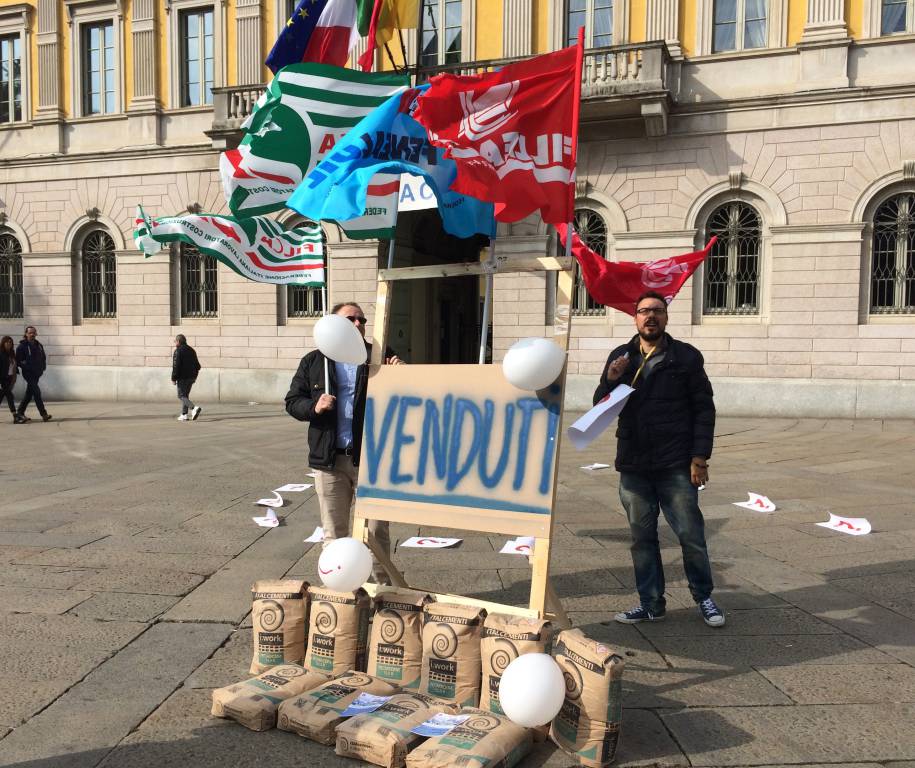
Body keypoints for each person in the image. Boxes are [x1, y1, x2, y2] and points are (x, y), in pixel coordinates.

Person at [594, 290, 724, 628]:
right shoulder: (621, 356)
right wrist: (611, 378)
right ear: (634, 318)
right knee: (641, 538)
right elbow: (601, 408)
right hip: (635, 464)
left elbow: (703, 409)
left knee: (690, 535)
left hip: (676, 463)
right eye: (643, 311)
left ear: (666, 317)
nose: (650, 316)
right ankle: (651, 603)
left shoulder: (686, 357)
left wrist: (700, 457)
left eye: (657, 310)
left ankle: (704, 597)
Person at [285, 301, 404, 584]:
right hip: (330, 461)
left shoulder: (378, 355)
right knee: (334, 533)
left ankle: (383, 592)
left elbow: (404, 402)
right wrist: (315, 405)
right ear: (334, 324)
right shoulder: (314, 361)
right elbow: (292, 402)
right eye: (351, 319)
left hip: (371, 460)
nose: (359, 324)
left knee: (376, 533)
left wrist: (401, 376)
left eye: (362, 319)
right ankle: (341, 595)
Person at [16, 326, 51, 423]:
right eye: (30, 333)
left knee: (29, 393)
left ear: (36, 334)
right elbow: (19, 361)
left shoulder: (39, 345)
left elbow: (43, 357)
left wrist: (43, 367)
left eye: (33, 333)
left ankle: (20, 413)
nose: (32, 334)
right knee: (37, 392)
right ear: (26, 334)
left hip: (37, 373)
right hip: (28, 374)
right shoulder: (22, 346)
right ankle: (44, 414)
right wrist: (27, 367)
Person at [171, 335, 201, 421]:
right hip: (192, 377)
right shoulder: (192, 350)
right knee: (185, 395)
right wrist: (194, 376)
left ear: (178, 341)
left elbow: (176, 366)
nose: (174, 343)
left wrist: (173, 378)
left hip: (182, 378)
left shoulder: (178, 351)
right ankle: (184, 415)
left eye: (175, 341)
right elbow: (198, 366)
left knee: (181, 395)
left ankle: (194, 408)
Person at [1, 335, 23, 423]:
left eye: (10, 342)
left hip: (10, 379)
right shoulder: (0, 353)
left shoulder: (12, 353)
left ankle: (16, 416)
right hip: (2, 379)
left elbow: (14, 366)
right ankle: (15, 416)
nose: (9, 344)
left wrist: (14, 378)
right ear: (3, 343)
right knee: (10, 397)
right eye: (7, 342)